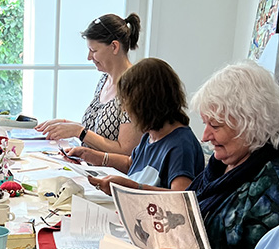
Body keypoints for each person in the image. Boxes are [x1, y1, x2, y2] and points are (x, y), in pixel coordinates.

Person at [187, 60, 279, 249]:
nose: (204, 136)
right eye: (205, 123)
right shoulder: (222, 162)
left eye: (215, 125)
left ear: (250, 124)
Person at [66, 57, 204, 192]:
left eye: (127, 103)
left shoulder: (180, 145)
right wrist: (92, 155)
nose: (125, 109)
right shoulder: (151, 135)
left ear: (146, 103)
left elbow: (181, 197)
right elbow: (131, 163)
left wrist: (131, 188)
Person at [36, 13, 142, 160]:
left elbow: (126, 151)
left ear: (114, 46)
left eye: (94, 51)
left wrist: (80, 132)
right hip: (91, 169)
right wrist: (66, 125)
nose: (89, 57)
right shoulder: (104, 79)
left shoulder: (134, 88)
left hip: (111, 178)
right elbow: (103, 131)